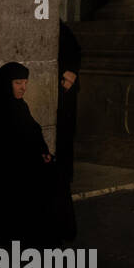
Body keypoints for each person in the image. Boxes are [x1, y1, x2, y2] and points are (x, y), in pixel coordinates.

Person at [0, 62, 68, 248]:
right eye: (18, 83)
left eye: (25, 83)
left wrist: (42, 152)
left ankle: (50, 232)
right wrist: (30, 157)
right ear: (7, 82)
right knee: (31, 180)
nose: (23, 88)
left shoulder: (18, 104)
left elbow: (33, 130)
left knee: (53, 172)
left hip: (20, 160)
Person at [53, 21, 81, 242]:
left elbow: (73, 52)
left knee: (63, 134)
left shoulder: (61, 30)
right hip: (60, 87)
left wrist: (69, 75)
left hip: (63, 92)